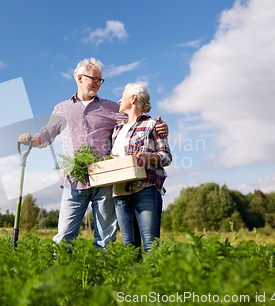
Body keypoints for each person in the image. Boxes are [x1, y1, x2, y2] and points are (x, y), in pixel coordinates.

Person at [18, 57, 168, 248]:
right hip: (73, 179)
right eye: (94, 79)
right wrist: (31, 140)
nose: (98, 83)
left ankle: (100, 277)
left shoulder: (111, 107)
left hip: (103, 179)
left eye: (100, 80)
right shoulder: (62, 108)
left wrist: (160, 127)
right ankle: (60, 275)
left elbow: (137, 119)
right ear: (79, 78)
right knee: (64, 236)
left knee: (105, 239)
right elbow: (46, 135)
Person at [111, 83, 171, 253]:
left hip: (145, 189)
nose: (119, 99)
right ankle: (135, 280)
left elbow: (166, 156)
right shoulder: (116, 129)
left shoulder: (152, 124)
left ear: (133, 98)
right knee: (130, 249)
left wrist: (148, 157)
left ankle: (153, 279)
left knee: (151, 246)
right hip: (120, 193)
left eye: (122, 95)